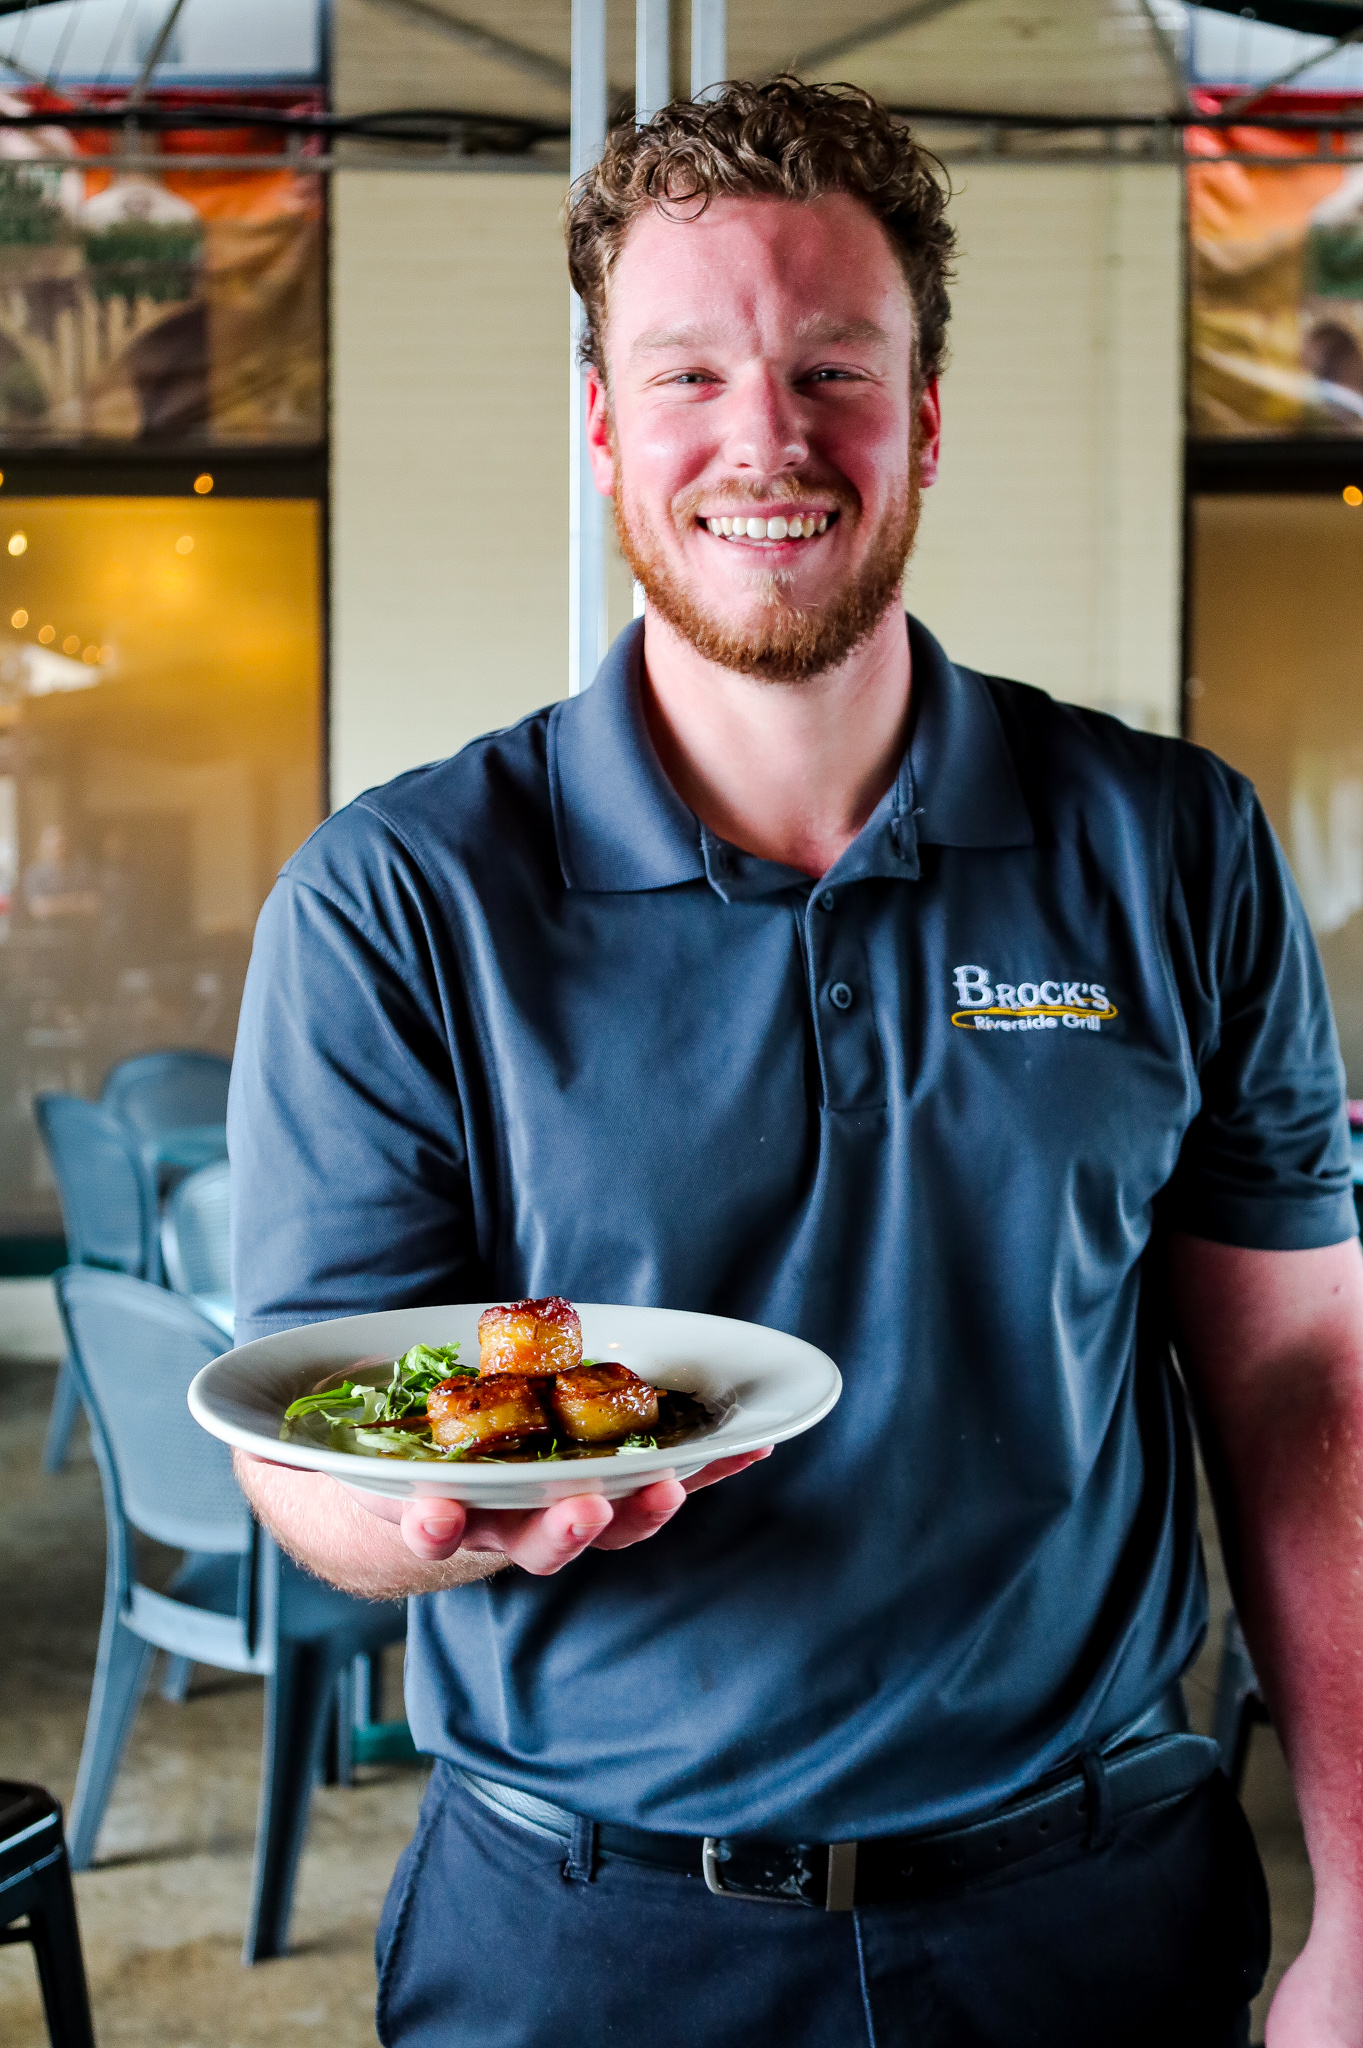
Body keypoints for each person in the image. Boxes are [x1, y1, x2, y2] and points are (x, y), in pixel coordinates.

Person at [229, 80, 1363, 2048]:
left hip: (1088, 1912)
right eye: (686, 375)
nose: (765, 439)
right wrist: (431, 1512)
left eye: (833, 368)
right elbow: (312, 1424)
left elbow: (1298, 1381)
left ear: (923, 417)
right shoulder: (398, 897)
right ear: (600, 427)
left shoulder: (1173, 847)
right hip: (579, 1933)